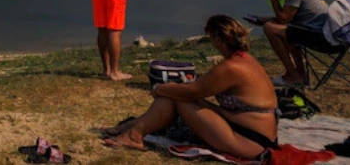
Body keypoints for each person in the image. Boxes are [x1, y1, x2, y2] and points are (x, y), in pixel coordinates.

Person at [101, 16, 278, 159]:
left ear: (217, 39)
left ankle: (134, 134)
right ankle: (136, 126)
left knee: (177, 97)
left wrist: (162, 89)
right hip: (249, 131)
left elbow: (193, 91)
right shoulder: (245, 59)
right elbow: (200, 89)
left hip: (250, 140)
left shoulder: (231, 67)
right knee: (179, 95)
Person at [258, 0, 329, 86]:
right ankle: (300, 75)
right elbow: (288, 18)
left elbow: (283, 19)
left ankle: (293, 75)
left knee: (269, 28)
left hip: (322, 38)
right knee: (286, 31)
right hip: (323, 32)